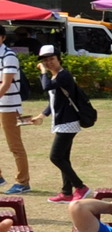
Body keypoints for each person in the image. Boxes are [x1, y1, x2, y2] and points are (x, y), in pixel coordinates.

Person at [26, 46, 88, 202]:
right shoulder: (56, 76)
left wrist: (42, 71)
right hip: (62, 121)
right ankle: (66, 193)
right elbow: (53, 101)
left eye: (52, 59)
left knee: (55, 157)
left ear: (59, 59)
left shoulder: (63, 75)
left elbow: (45, 87)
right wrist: (42, 116)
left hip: (68, 122)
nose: (49, 62)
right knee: (63, 158)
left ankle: (80, 187)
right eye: (45, 60)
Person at [0, 27, 29, 193]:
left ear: (3, 37)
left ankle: (23, 182)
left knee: (15, 145)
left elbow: (6, 84)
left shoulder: (8, 56)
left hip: (9, 106)